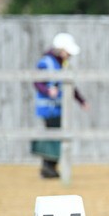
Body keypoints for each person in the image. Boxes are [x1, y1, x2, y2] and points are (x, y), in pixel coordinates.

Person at [33, 32, 88, 178]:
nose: (69, 55)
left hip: (58, 108)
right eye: (67, 52)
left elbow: (70, 87)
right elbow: (37, 82)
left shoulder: (63, 64)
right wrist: (47, 91)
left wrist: (81, 101)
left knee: (57, 137)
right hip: (48, 108)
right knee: (52, 136)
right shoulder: (46, 62)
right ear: (61, 49)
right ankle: (47, 168)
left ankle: (51, 167)